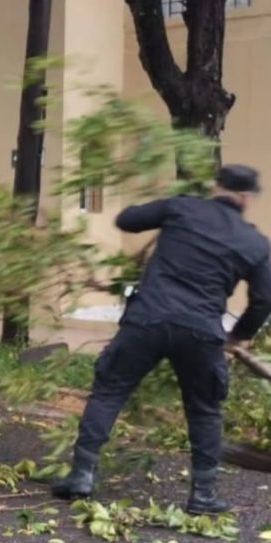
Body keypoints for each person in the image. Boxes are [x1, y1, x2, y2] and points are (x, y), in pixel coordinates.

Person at [52, 164, 271, 515]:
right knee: (204, 410)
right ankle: (203, 496)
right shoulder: (255, 242)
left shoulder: (182, 208)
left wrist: (170, 213)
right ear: (248, 198)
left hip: (147, 320)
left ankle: (81, 477)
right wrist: (238, 337)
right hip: (201, 332)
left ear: (217, 188)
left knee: (109, 391)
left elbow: (127, 219)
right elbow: (264, 300)